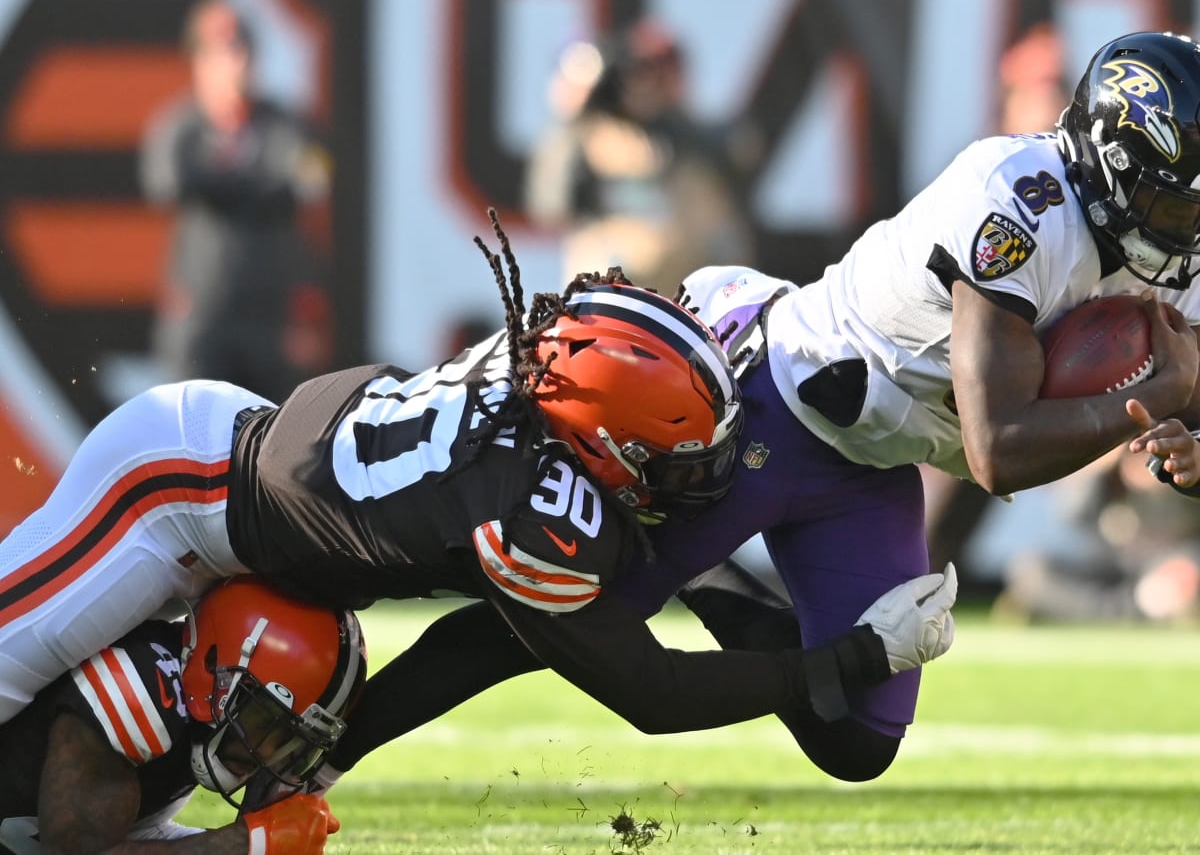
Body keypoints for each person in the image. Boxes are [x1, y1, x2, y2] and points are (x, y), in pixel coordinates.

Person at [312, 29, 1200, 788]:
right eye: (1175, 192)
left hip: (874, 460)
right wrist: (1156, 396)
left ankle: (711, 576)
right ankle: (318, 758)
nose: (1188, 220)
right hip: (774, 401)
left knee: (857, 741)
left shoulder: (1169, 244)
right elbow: (997, 451)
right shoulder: (1020, 205)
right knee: (555, 613)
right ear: (1109, 161)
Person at [0, 212, 956, 753]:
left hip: (238, 474)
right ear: (606, 445)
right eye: (678, 458)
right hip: (173, 493)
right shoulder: (531, 518)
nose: (700, 480)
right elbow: (653, 693)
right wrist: (857, 661)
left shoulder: (548, 368)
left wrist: (342, 750)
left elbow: (490, 640)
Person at [0, 574, 365, 852]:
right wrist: (240, 843)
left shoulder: (198, 711)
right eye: (267, 723)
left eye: (292, 741)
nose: (271, 754)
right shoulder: (136, 688)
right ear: (212, 664)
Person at [141, 0, 333, 403]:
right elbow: (167, 183)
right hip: (202, 315)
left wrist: (225, 181)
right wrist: (256, 182)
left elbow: (313, 178)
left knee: (273, 440)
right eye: (222, 49)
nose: (237, 61)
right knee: (193, 434)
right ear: (197, 59)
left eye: (243, 46)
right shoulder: (178, 128)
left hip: (271, 318)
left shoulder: (285, 124)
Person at [525, 18, 758, 295]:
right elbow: (552, 203)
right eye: (637, 72)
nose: (646, 83)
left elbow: (740, 155)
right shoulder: (590, 139)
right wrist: (578, 109)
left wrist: (670, 116)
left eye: (659, 70)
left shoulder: (694, 142)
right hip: (615, 304)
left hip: (697, 301)